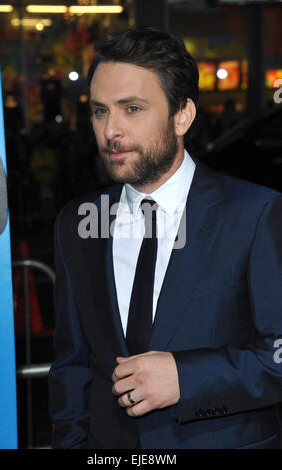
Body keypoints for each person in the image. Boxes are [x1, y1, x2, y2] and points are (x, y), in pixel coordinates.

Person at [48, 27, 282, 449]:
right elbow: (72, 367)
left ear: (182, 116)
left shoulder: (255, 213)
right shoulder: (78, 223)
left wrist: (186, 378)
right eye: (100, 111)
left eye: (132, 108)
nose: (111, 131)